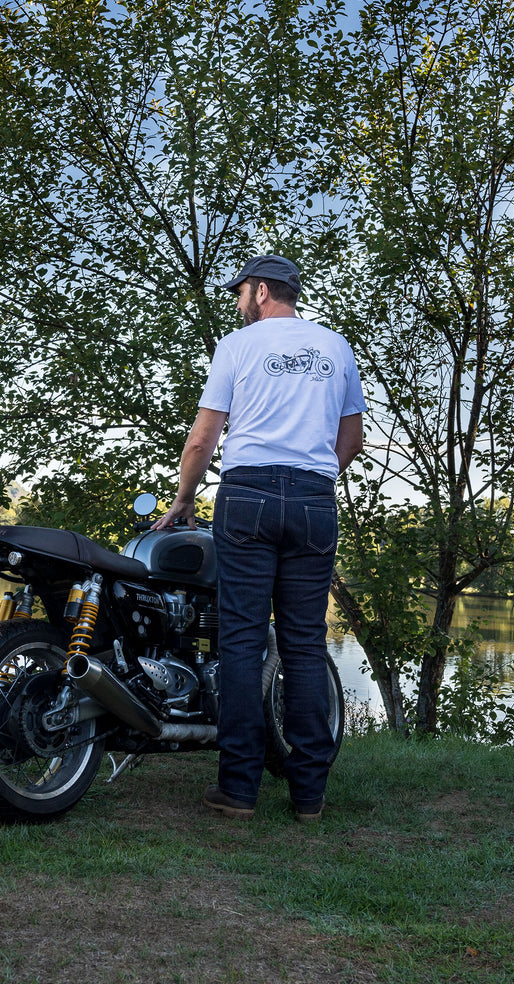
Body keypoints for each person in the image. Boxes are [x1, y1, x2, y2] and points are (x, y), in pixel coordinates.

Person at [154, 254, 366, 822]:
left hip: (246, 496)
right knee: (302, 643)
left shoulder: (238, 346)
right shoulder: (336, 348)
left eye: (242, 290)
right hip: (314, 500)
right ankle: (308, 795)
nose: (238, 300)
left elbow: (202, 439)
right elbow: (353, 436)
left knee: (243, 641)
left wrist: (181, 499)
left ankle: (239, 789)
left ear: (264, 291)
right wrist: (315, 481)